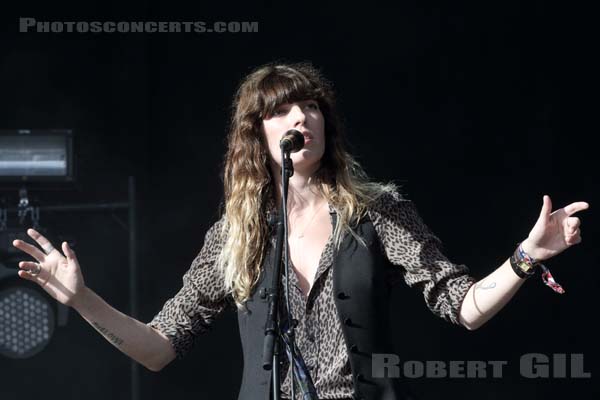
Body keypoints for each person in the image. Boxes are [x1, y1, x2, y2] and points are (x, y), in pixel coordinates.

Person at [12, 62, 589, 400]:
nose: (299, 118)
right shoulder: (234, 236)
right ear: (258, 135)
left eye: (309, 106)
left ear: (324, 122)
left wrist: (524, 256)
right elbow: (160, 349)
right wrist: (82, 300)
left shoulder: (377, 211)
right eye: (281, 111)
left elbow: (461, 306)